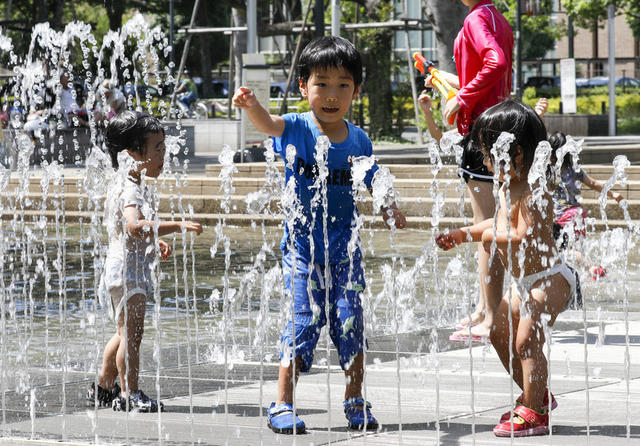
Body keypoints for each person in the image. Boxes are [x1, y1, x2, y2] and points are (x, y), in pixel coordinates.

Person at [232, 36, 406, 434]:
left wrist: (389, 206)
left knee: (350, 323)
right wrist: (253, 106)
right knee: (303, 320)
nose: (332, 95)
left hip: (346, 251)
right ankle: (283, 403)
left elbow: (374, 178)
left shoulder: (358, 139)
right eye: (321, 84)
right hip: (303, 250)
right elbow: (268, 125)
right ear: (302, 87)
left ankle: (355, 398)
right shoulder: (296, 128)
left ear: (356, 91)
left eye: (343, 85)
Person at [436, 100, 577, 437]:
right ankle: (537, 394)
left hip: (550, 278)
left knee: (526, 340)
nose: (485, 161)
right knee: (500, 329)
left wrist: (483, 235)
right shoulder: (504, 188)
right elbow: (494, 222)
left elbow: (520, 234)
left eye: (489, 154)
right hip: (527, 280)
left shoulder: (534, 191)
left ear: (515, 154)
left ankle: (534, 412)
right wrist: (463, 234)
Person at [88, 111, 203, 412]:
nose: (163, 155)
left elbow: (131, 231)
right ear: (133, 153)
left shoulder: (126, 181)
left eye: (164, 147)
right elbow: (133, 226)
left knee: (123, 332)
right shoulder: (132, 188)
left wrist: (155, 239)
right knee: (132, 336)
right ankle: (130, 394)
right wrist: (176, 226)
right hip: (128, 270)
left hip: (121, 265)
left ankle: (103, 386)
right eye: (157, 149)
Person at [424, 0, 513, 342]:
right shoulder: (497, 18)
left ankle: (491, 318)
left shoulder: (477, 17)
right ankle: (482, 308)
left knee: (486, 229)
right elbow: (498, 70)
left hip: (482, 131)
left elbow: (496, 61)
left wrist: (463, 97)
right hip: (498, 124)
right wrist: (456, 86)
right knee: (491, 225)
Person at [549, 131, 624, 279]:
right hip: (578, 213)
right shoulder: (575, 170)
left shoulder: (550, 172)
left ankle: (592, 268)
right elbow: (594, 183)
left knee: (564, 250)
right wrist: (613, 194)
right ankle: (586, 274)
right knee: (575, 249)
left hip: (562, 216)